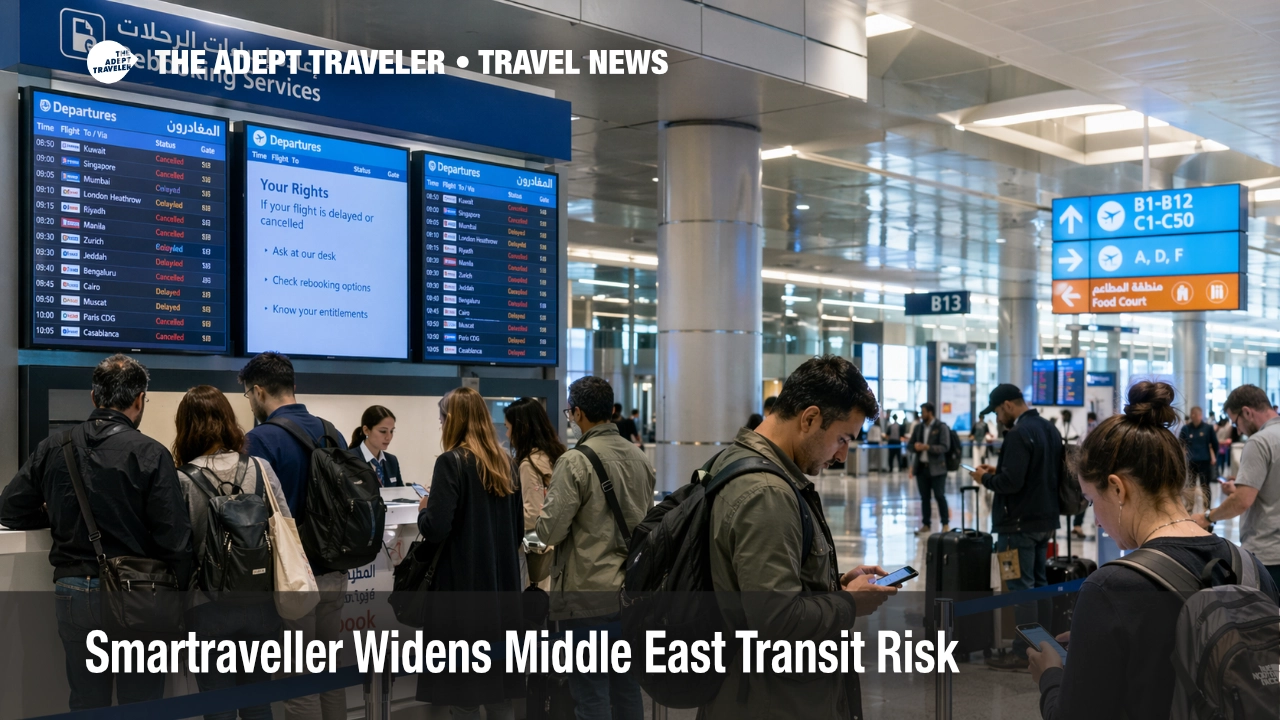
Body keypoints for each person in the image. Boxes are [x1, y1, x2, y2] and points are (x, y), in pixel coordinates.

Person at [1029, 381, 1279, 719]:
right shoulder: (1250, 568)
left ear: (1117, 489)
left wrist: (1050, 676)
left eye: (1092, 501)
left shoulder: (1110, 588)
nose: (1098, 522)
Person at [702, 355, 898, 720]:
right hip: (773, 702)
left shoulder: (732, 459)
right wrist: (849, 604)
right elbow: (776, 622)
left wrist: (836, 584)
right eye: (842, 438)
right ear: (809, 418)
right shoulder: (766, 493)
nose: (842, 455)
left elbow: (756, 588)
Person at [0, 354, 193, 710]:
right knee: (142, 701)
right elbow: (175, 540)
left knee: (87, 701)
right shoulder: (151, 453)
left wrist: (51, 513)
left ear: (93, 397)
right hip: (139, 594)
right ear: (140, 400)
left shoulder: (55, 447)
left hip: (74, 592)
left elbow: (9, 508)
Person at [536, 376, 655, 720]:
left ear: (579, 413)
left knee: (590, 693)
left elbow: (549, 531)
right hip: (628, 593)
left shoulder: (574, 462)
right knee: (627, 687)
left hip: (587, 596)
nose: (570, 420)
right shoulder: (639, 459)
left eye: (570, 413)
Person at [239, 352, 348, 720]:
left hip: (293, 579)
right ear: (293, 387)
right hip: (335, 570)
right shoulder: (332, 431)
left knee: (298, 683)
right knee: (329, 677)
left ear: (257, 391)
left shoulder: (260, 440)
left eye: (247, 395)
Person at [173, 385, 287, 720]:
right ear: (228, 421)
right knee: (258, 703)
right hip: (262, 603)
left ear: (186, 427)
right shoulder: (261, 469)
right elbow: (283, 525)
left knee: (218, 708)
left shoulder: (180, 479)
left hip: (206, 605)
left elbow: (178, 546)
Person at [416, 387, 524, 718]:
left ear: (453, 420)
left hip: (461, 592)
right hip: (502, 590)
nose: (440, 425)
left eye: (441, 419)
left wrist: (424, 508)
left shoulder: (451, 462)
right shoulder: (506, 463)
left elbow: (436, 528)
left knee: (463, 694)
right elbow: (518, 529)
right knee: (498, 694)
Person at [970, 384, 1063, 671]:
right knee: (1039, 584)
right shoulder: (1050, 430)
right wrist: (999, 471)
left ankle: (1023, 652)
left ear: (1009, 405)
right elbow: (1036, 473)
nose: (998, 418)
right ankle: (1044, 647)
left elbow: (1012, 484)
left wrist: (984, 479)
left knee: (1020, 589)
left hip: (1017, 525)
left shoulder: (1019, 434)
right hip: (1044, 521)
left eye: (998, 411)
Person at [1196, 385, 1280, 589]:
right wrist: (1242, 486)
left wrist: (1206, 517)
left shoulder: (1259, 441)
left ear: (1247, 412)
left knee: (1264, 617)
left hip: (1267, 553)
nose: (1238, 430)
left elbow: (1242, 501)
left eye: (1236, 423)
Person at [502, 397, 566, 591]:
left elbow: (531, 515)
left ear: (521, 429)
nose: (507, 434)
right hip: (562, 548)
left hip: (540, 553)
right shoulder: (558, 455)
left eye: (508, 427)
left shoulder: (529, 465)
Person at [909, 402, 952, 534]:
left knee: (940, 496)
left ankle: (945, 524)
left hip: (938, 469)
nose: (921, 415)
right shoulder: (918, 428)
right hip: (922, 468)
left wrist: (928, 447)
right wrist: (915, 447)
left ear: (930, 412)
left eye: (923, 412)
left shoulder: (941, 427)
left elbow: (945, 447)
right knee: (924, 498)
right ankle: (926, 524)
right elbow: (910, 445)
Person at [350, 405, 402, 487]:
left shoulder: (392, 461)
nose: (388, 437)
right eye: (383, 431)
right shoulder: (349, 459)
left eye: (392, 431)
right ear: (366, 430)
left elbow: (400, 494)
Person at [1178, 406, 1217, 508]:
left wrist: (1214, 457)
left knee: (1205, 485)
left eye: (1196, 414)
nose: (1194, 416)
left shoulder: (1208, 428)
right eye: (1192, 414)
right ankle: (1190, 507)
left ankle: (1206, 508)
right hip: (1191, 461)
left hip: (1204, 461)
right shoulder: (1186, 428)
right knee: (1190, 486)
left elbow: (1215, 444)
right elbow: (1180, 444)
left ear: (1201, 415)